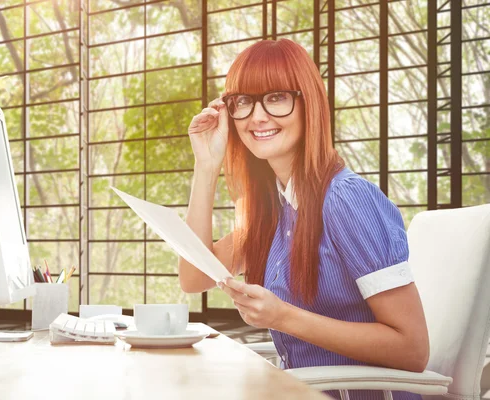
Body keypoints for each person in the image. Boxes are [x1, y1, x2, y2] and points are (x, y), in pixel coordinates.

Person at [178, 39, 429, 400]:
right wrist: (206, 165)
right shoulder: (272, 207)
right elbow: (194, 277)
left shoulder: (345, 199)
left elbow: (413, 349)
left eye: (276, 97)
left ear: (307, 105)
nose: (257, 116)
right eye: (244, 102)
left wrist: (281, 317)